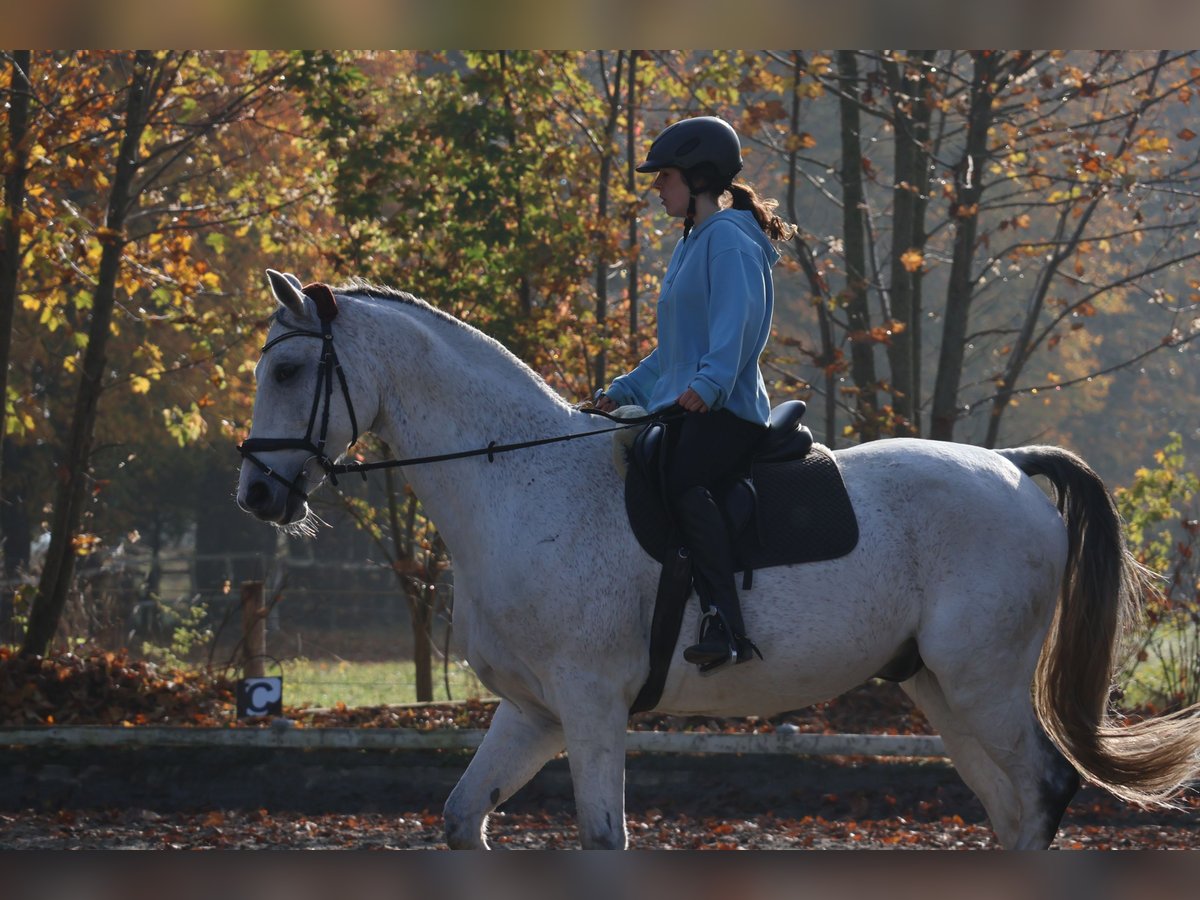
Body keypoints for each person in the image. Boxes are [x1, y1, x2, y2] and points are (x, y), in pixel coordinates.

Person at [595, 115, 795, 672]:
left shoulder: (728, 240)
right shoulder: (693, 243)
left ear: (700, 178)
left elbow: (735, 326)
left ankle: (724, 622)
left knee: (678, 476)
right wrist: (624, 389)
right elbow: (676, 348)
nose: (658, 187)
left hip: (727, 408)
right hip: (689, 403)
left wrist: (708, 385)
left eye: (666, 177)